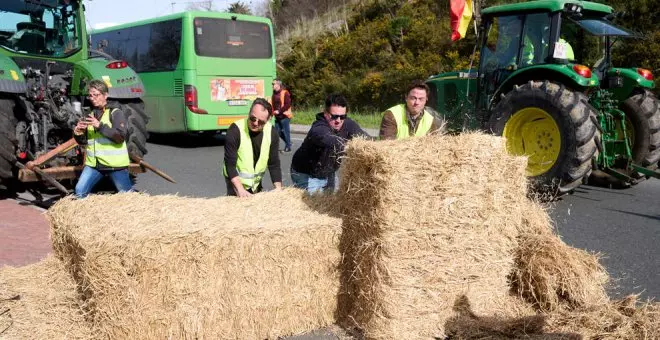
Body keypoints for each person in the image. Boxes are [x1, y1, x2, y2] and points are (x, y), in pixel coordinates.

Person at [291, 94, 370, 193]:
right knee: (315, 206)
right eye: (334, 116)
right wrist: (350, 147)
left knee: (332, 202)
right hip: (306, 173)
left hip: (328, 172)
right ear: (325, 113)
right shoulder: (318, 128)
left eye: (342, 116)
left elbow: (365, 139)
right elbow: (329, 139)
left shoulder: (348, 124)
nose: (338, 121)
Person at [73, 79, 133, 198]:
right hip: (94, 165)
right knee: (80, 192)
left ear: (105, 95)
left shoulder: (116, 113)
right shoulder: (90, 115)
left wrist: (100, 126)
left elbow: (120, 137)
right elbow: (86, 142)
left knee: (127, 197)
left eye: (96, 95)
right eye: (90, 95)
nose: (92, 98)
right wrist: (78, 133)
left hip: (115, 165)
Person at [223, 98, 282, 197]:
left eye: (261, 122)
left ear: (268, 120)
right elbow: (230, 165)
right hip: (235, 180)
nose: (255, 123)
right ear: (249, 112)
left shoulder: (272, 133)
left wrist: (278, 189)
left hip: (256, 183)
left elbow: (274, 163)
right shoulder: (235, 130)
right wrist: (240, 190)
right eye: (253, 118)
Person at [379, 80, 446, 140]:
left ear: (426, 100)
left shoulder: (432, 119)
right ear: (406, 98)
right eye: (413, 98)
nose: (417, 102)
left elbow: (435, 146)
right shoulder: (392, 114)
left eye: (421, 99)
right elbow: (387, 145)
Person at [271, 79, 292, 152]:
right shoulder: (274, 93)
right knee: (277, 133)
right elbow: (274, 105)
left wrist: (279, 111)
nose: (272, 85)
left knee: (286, 132)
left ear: (278, 85)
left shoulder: (285, 92)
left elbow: (288, 105)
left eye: (273, 84)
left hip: (284, 116)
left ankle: (288, 147)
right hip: (277, 117)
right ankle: (288, 142)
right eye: (272, 84)